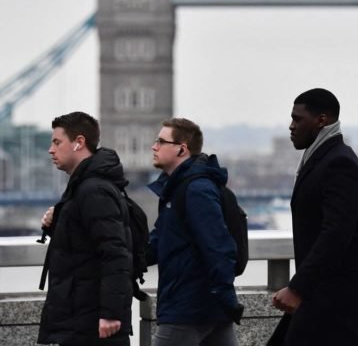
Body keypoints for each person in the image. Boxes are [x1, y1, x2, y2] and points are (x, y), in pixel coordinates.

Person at [269, 88, 358, 346]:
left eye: (298, 119)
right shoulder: (321, 159)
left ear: (322, 120)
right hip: (326, 299)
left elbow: (336, 234)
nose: (291, 127)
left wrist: (297, 288)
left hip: (348, 306)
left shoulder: (339, 164)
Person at [38, 111, 133, 346]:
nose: (51, 150)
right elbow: (82, 246)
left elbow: (115, 253)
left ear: (79, 143)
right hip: (81, 320)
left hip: (93, 326)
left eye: (57, 142)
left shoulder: (93, 190)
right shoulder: (84, 186)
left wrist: (110, 313)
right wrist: (56, 224)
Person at [147, 117, 243, 346]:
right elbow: (157, 242)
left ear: (182, 149)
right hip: (204, 306)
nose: (154, 146)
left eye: (161, 141)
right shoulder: (177, 187)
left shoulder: (196, 189)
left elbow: (218, 245)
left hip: (188, 308)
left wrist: (225, 297)